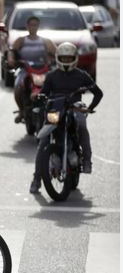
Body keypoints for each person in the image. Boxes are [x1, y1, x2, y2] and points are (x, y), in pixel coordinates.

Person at [29, 42, 103, 194]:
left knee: (81, 125)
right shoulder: (51, 76)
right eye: (64, 58)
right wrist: (38, 97)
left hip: (75, 107)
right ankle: (37, 179)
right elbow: (44, 92)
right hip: (56, 109)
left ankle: (87, 161)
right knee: (43, 141)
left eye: (70, 58)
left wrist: (90, 108)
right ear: (57, 58)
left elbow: (98, 93)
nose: (67, 61)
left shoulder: (81, 75)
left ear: (75, 58)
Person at [8, 15, 57, 123]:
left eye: (35, 25)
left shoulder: (46, 41)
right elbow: (11, 51)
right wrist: (11, 59)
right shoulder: (21, 40)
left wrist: (57, 59)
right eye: (31, 25)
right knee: (18, 86)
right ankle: (21, 111)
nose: (33, 27)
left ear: (38, 26)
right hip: (25, 70)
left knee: (54, 86)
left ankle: (53, 110)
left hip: (43, 70)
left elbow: (57, 53)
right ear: (27, 26)